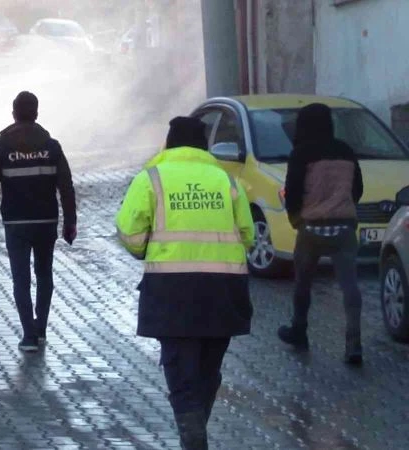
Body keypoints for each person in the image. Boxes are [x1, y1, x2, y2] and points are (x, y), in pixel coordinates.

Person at [116, 116, 255, 449]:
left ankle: (193, 438)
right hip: (224, 291)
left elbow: (131, 235)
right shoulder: (226, 180)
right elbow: (248, 236)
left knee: (181, 372)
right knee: (208, 370)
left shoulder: (151, 179)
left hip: (172, 292)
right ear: (203, 146)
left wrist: (149, 247)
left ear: (170, 143)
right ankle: (195, 433)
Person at [0, 91, 77, 353]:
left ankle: (29, 336)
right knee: (44, 275)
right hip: (46, 221)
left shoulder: (2, 146)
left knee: (20, 279)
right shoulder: (52, 146)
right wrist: (70, 222)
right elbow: (66, 187)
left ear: (14, 113)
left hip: (16, 223)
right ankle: (42, 328)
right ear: (36, 113)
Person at [278, 103, 364, 365]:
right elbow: (357, 188)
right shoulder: (346, 151)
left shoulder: (301, 153)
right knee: (350, 285)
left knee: (303, 283)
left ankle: (299, 330)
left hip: (311, 228)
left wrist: (296, 218)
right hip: (344, 228)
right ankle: (354, 343)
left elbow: (292, 191)